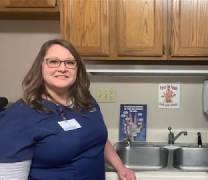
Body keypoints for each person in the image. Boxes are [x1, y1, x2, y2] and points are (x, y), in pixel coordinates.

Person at [0, 39, 136, 180]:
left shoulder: (86, 101)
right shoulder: (18, 117)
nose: (62, 68)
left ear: (77, 69)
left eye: (69, 63)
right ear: (40, 66)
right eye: (53, 61)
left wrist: (120, 167)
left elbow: (99, 139)